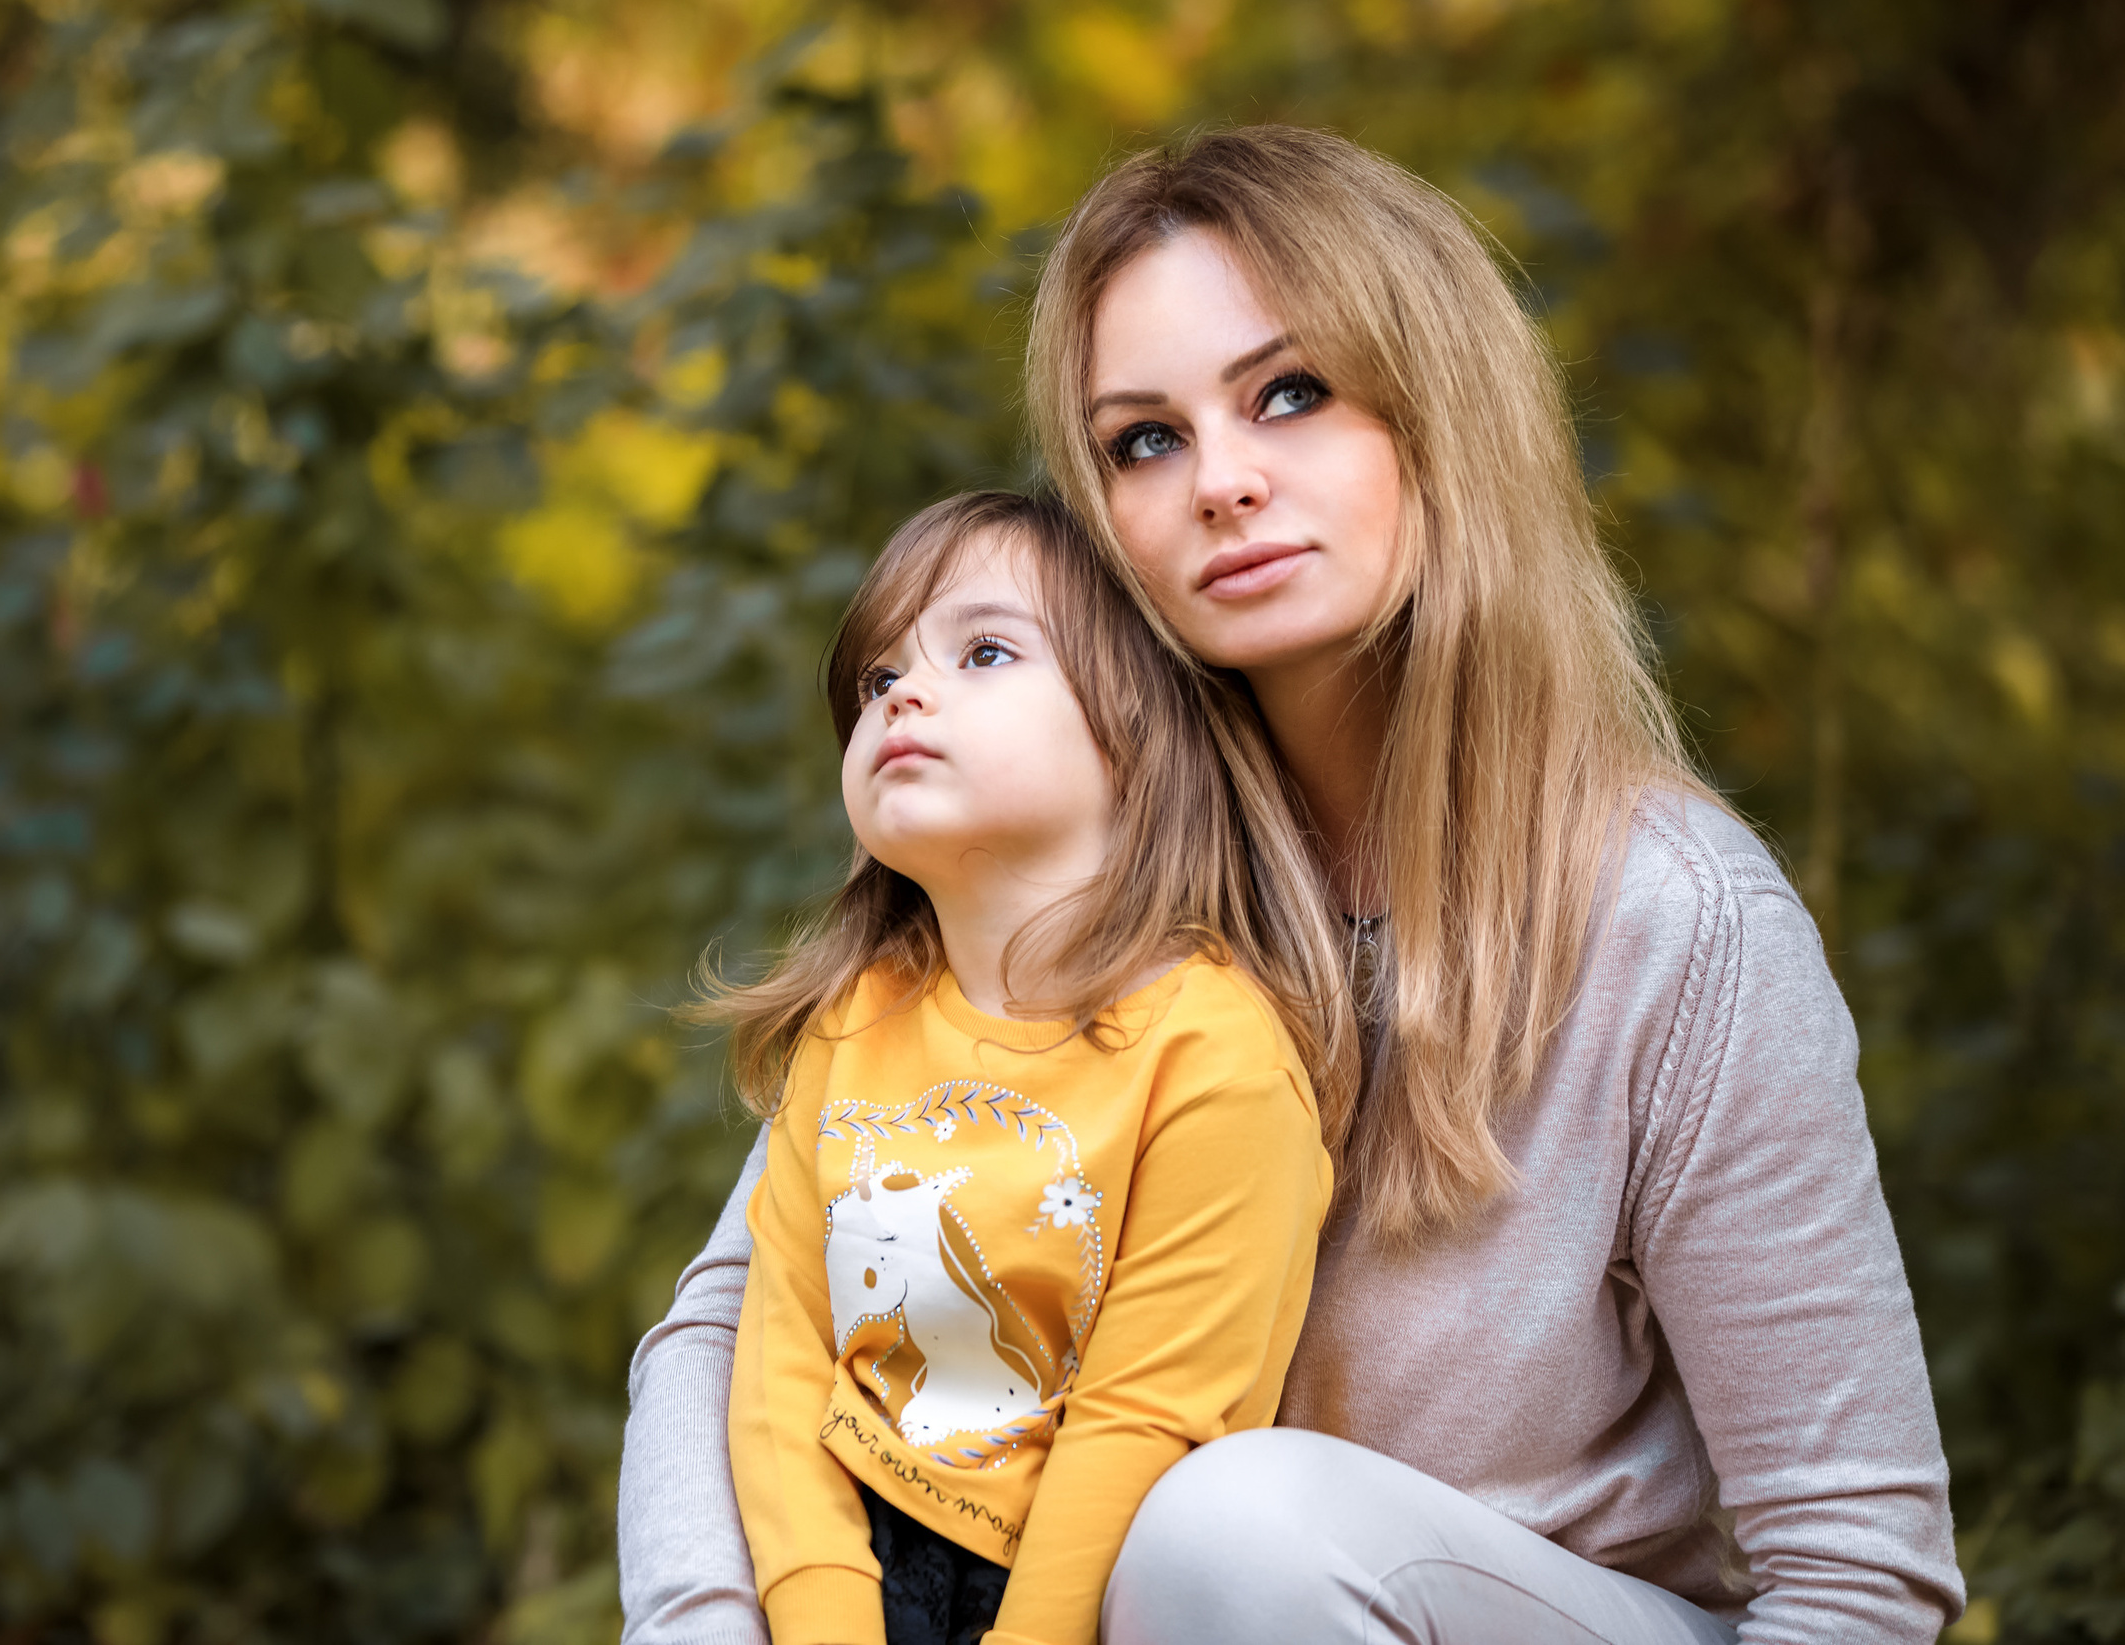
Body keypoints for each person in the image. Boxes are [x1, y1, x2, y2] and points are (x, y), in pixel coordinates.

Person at [622, 126, 1963, 1645]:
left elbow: (1861, 1574)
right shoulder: (1075, 873)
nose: (1223, 482)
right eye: (1145, 439)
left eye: (1291, 393)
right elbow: (733, 1318)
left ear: (1435, 409)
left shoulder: (1676, 922)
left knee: (1225, 1522)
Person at [705, 489, 1331, 1645]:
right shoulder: (854, 1024)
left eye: (985, 650)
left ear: (1136, 734)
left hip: (1092, 1583)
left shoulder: (1217, 1056)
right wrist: (823, 1622)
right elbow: (782, 1359)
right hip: (846, 1559)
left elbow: (1151, 1415)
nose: (900, 692)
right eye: (874, 677)